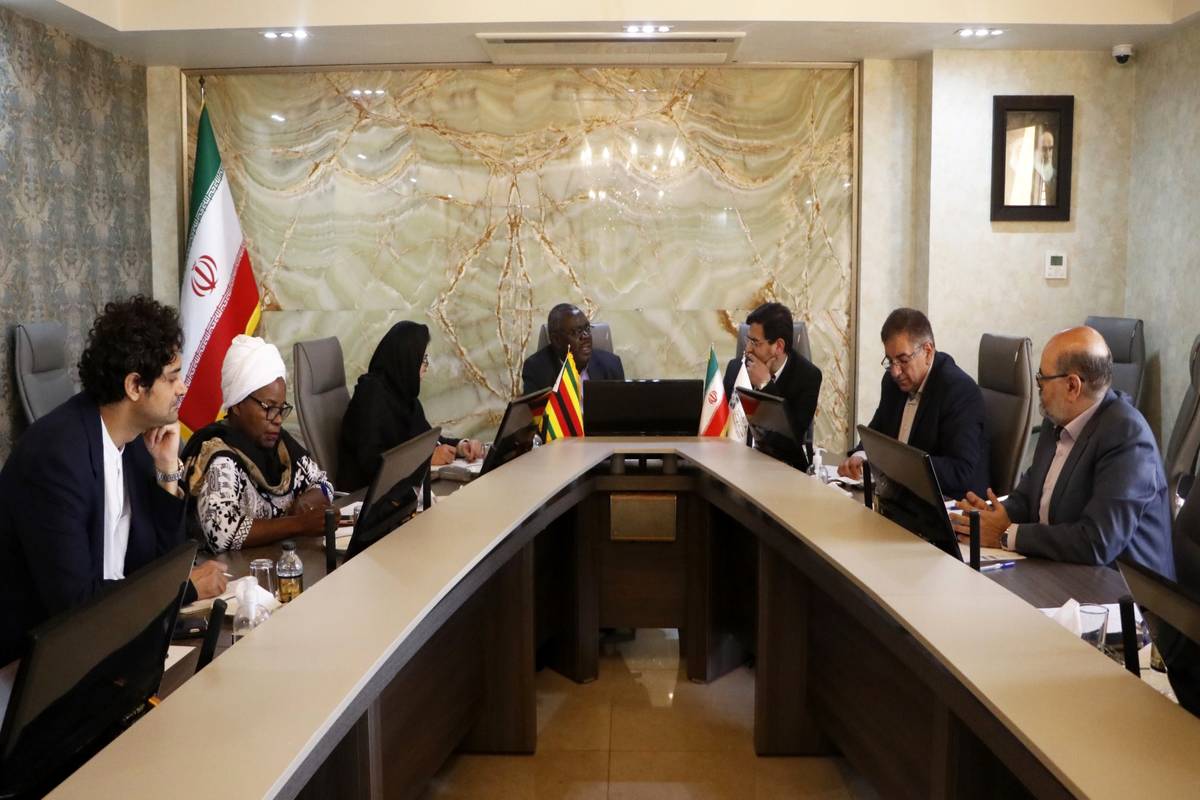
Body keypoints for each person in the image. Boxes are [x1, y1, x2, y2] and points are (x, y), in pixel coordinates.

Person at [0, 296, 227, 667]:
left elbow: (163, 564)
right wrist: (185, 591)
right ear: (135, 385)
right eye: (172, 378)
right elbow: (76, 608)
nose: (183, 388)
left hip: (115, 642)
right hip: (37, 669)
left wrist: (167, 470)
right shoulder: (55, 459)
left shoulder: (136, 442)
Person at [953, 326, 1174, 577]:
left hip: (1118, 588)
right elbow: (1031, 494)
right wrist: (998, 515)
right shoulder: (1057, 418)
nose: (1038, 387)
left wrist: (1005, 535)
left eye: (1042, 379)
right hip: (1061, 570)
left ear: (1072, 386)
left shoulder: (1127, 437)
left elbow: (1097, 541)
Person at [182, 336, 334, 552]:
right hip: (230, 569)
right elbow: (223, 533)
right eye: (268, 407)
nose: (278, 419)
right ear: (237, 404)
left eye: (281, 408)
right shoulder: (219, 456)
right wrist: (299, 524)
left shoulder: (278, 442)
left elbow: (323, 483)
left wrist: (305, 502)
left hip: (278, 558)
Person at [838, 308, 988, 499]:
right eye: (890, 361)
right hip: (901, 497)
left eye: (903, 360)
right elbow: (876, 432)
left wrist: (898, 465)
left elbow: (961, 471)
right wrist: (860, 456)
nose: (895, 372)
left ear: (927, 351)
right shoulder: (892, 383)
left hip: (949, 504)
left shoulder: (958, 391)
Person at [338, 321, 485, 492]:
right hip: (364, 497)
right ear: (407, 358)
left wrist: (461, 446)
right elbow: (372, 463)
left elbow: (426, 440)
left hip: (401, 492)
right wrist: (426, 460)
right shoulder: (370, 395)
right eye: (422, 359)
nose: (426, 367)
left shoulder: (403, 394)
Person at [721, 302, 822, 471]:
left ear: (779, 346)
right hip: (735, 465)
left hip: (782, 471)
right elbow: (722, 423)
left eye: (755, 342)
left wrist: (765, 385)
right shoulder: (736, 368)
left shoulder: (808, 377)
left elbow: (790, 441)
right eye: (748, 340)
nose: (748, 349)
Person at [521, 304, 624, 394]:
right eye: (577, 331)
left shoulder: (611, 365)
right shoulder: (536, 370)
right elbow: (535, 410)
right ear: (557, 340)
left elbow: (622, 408)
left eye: (587, 328)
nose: (586, 336)